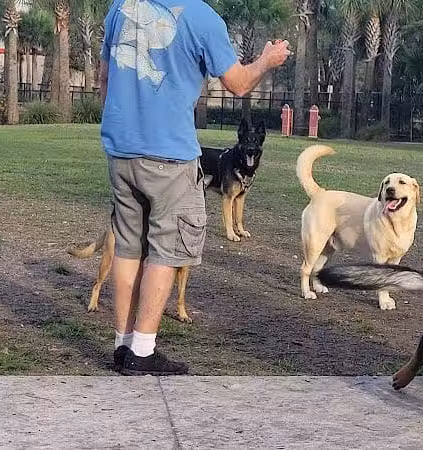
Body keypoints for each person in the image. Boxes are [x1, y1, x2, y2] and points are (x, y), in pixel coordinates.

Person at [97, 0, 290, 376]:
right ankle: (142, 350)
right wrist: (267, 60)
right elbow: (237, 83)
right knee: (167, 250)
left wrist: (123, 128)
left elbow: (104, 77)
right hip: (169, 155)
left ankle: (122, 344)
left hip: (121, 151)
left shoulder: (120, 7)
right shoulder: (201, 17)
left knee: (127, 248)